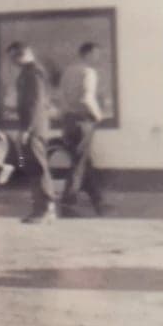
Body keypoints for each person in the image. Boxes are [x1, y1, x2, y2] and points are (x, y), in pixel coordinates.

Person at [58, 41, 108, 215]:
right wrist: (98, 115)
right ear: (87, 54)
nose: (97, 58)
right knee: (79, 163)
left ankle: (98, 201)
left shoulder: (68, 71)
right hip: (83, 121)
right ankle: (67, 202)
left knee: (83, 160)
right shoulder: (88, 72)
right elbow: (87, 98)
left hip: (68, 120)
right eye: (96, 54)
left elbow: (61, 97)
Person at [10, 42, 57, 224]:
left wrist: (27, 129)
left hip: (34, 128)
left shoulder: (34, 73)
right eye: (12, 57)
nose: (14, 61)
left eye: (16, 55)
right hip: (32, 127)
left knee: (38, 167)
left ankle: (46, 209)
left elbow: (36, 103)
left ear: (26, 53)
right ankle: (40, 209)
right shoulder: (28, 72)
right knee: (33, 167)